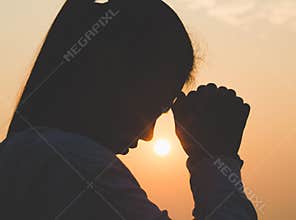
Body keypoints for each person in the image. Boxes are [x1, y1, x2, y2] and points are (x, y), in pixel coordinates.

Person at [0, 0, 258, 219]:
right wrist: (215, 157)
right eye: (153, 106)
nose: (148, 135)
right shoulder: (77, 165)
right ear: (112, 75)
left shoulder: (25, 154)